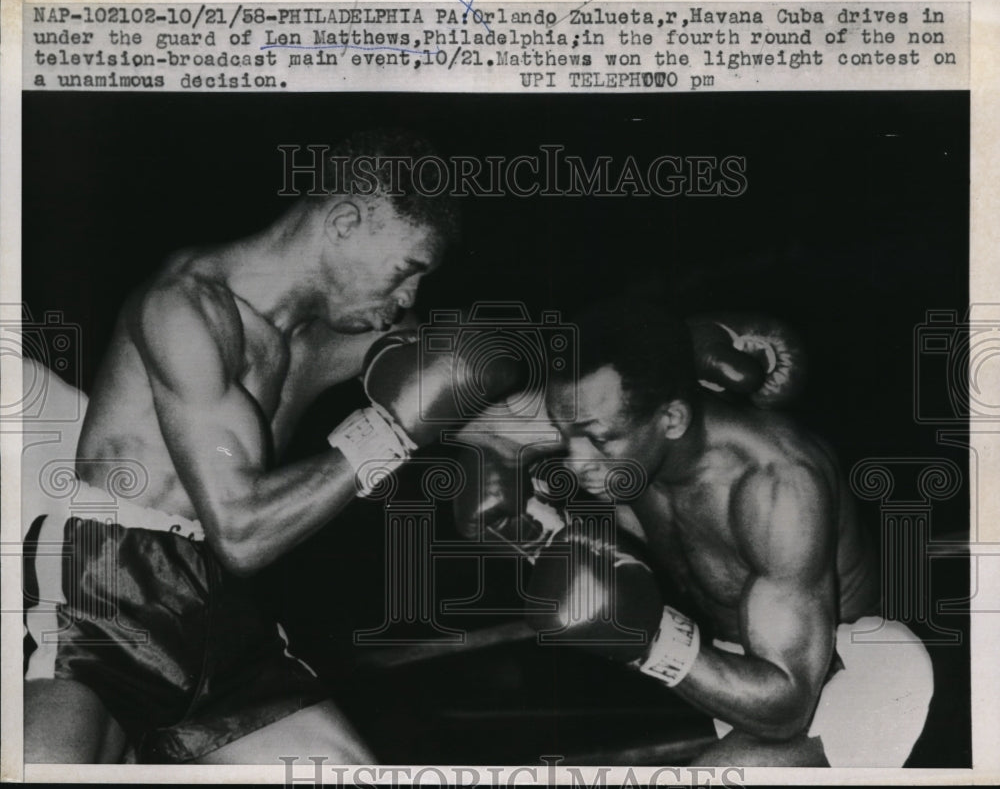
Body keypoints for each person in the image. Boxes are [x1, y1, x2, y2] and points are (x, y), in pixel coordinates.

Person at [22, 131, 481, 764]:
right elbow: (243, 532)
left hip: (221, 612)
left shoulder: (321, 335)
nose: (408, 298)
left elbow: (469, 367)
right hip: (111, 580)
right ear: (344, 223)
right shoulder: (186, 307)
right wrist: (391, 433)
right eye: (407, 272)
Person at [456, 297, 934, 767]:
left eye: (597, 440)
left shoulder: (774, 482)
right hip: (740, 671)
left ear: (673, 419)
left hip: (847, 671)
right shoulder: (610, 412)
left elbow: (788, 707)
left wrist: (647, 640)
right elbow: (482, 436)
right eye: (565, 435)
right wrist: (540, 535)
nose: (576, 463)